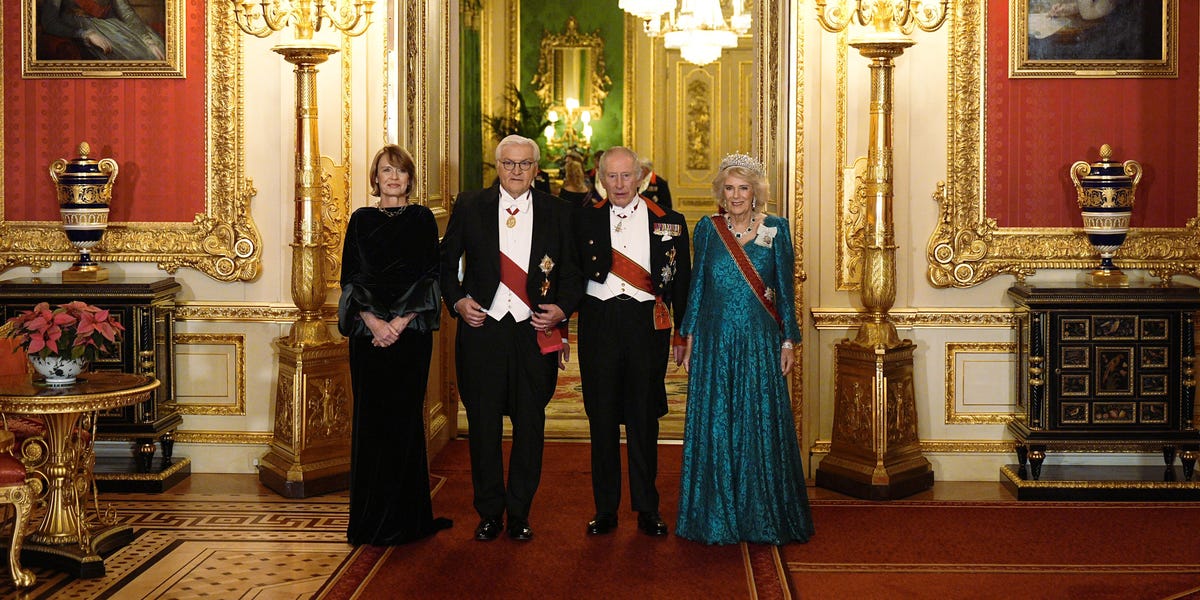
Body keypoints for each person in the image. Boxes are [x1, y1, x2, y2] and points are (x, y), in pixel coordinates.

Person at [440, 134, 583, 542]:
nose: (516, 172)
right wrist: (458, 301)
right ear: (497, 166)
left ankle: (520, 512)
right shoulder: (470, 205)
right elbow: (446, 265)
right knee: (482, 426)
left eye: (524, 165)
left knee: (530, 424)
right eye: (508, 164)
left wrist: (561, 309)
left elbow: (572, 274)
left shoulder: (559, 211)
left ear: (537, 169)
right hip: (483, 329)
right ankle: (489, 512)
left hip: (533, 329)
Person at [676, 153, 814, 545]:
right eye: (730, 188)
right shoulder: (708, 228)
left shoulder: (777, 229)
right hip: (715, 340)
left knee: (758, 424)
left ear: (756, 192)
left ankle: (761, 515)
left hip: (759, 343)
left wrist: (789, 339)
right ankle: (715, 515)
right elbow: (698, 286)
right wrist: (687, 336)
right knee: (717, 423)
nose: (736, 196)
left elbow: (786, 291)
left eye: (744, 188)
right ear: (722, 192)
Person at [338, 145, 452, 545]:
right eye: (386, 170)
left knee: (404, 424)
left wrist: (398, 323)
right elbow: (350, 278)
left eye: (400, 171)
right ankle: (369, 523)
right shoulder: (360, 220)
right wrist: (372, 322)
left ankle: (409, 520)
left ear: (409, 179)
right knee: (371, 423)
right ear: (376, 178)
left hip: (409, 336)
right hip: (368, 338)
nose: (393, 177)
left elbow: (430, 276)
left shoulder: (421, 218)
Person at [574, 147, 691, 537]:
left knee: (643, 421)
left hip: (646, 325)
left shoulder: (670, 222)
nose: (620, 184)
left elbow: (683, 284)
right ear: (601, 178)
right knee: (602, 419)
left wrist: (681, 331)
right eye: (612, 176)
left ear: (641, 177)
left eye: (627, 176)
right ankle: (605, 508)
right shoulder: (583, 220)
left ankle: (647, 507)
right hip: (600, 324)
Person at [38, 0, 167, 61]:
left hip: (109, 26)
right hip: (79, 27)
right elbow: (49, 22)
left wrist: (147, 39)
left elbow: (126, 13)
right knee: (142, 55)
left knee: (157, 46)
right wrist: (84, 34)